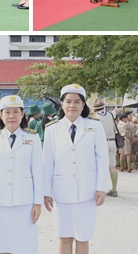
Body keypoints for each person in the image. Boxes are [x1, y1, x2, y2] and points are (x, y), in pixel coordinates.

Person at [43, 84, 109, 254]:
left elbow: (102, 159)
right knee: (64, 237)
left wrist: (101, 187)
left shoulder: (95, 127)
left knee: (82, 236)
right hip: (62, 190)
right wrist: (45, 191)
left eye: (77, 102)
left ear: (83, 105)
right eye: (68, 101)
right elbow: (47, 162)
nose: (72, 105)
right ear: (62, 103)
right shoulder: (52, 129)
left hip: (86, 192)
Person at [0, 95, 43, 254]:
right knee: (3, 245)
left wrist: (37, 203)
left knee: (26, 246)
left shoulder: (32, 137)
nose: (12, 116)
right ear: (0, 115)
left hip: (25, 202)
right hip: (0, 202)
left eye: (16, 111)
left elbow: (38, 172)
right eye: (7, 112)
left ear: (23, 114)